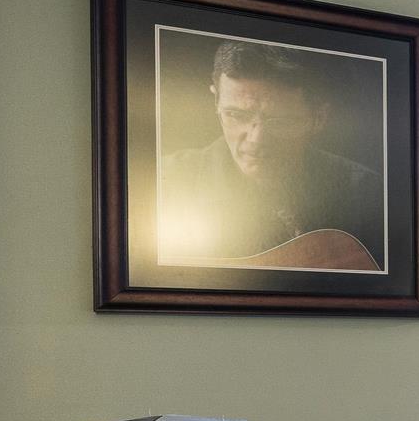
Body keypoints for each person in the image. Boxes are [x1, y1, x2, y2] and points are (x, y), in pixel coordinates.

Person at [158, 39, 384, 269]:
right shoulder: (162, 184)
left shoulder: (367, 193)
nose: (257, 140)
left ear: (319, 118)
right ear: (216, 100)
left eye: (281, 121)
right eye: (236, 115)